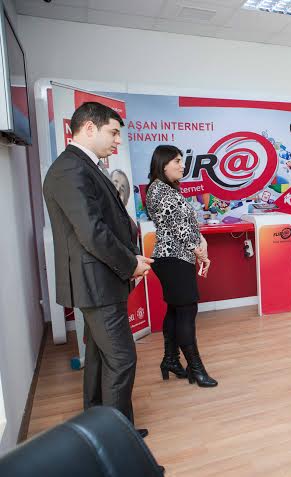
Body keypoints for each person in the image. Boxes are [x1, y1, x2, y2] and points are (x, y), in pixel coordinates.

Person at [43, 102, 153, 436]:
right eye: (113, 132)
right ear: (89, 128)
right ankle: (116, 438)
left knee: (99, 356)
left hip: (100, 279)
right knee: (122, 358)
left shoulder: (83, 166)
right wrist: (130, 263)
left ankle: (97, 426)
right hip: (96, 281)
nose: (118, 141)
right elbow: (92, 232)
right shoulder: (70, 169)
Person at [145, 145, 217, 388]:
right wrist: (200, 251)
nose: (182, 165)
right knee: (187, 311)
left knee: (176, 310)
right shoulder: (161, 190)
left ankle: (171, 360)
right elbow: (180, 229)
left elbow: (187, 224)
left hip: (175, 258)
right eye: (177, 161)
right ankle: (196, 368)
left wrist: (201, 242)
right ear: (163, 164)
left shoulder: (164, 188)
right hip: (173, 258)